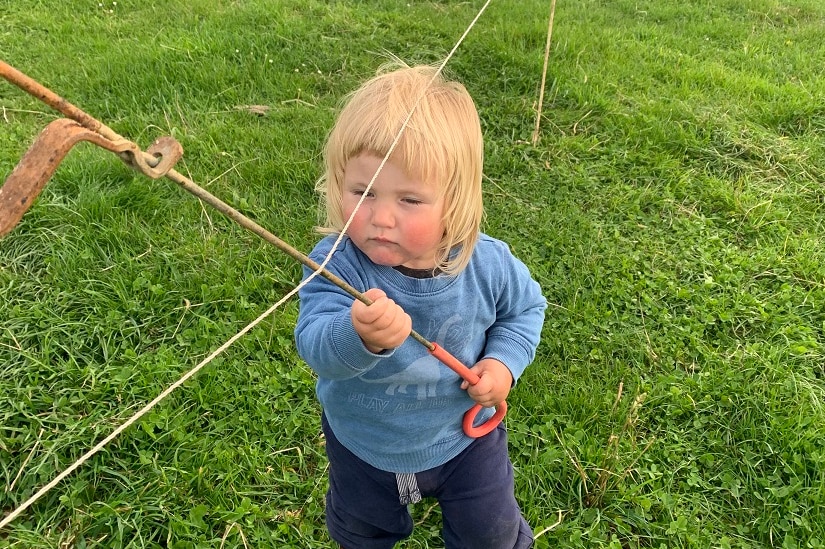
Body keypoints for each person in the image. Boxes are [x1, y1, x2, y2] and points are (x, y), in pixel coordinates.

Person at [294, 61, 547, 549]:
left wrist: (502, 365)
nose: (381, 217)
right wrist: (358, 333)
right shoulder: (336, 265)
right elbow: (314, 345)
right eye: (362, 192)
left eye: (409, 200)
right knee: (363, 533)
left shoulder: (486, 263)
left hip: (465, 440)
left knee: (490, 536)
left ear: (453, 201)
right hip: (363, 445)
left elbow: (524, 310)